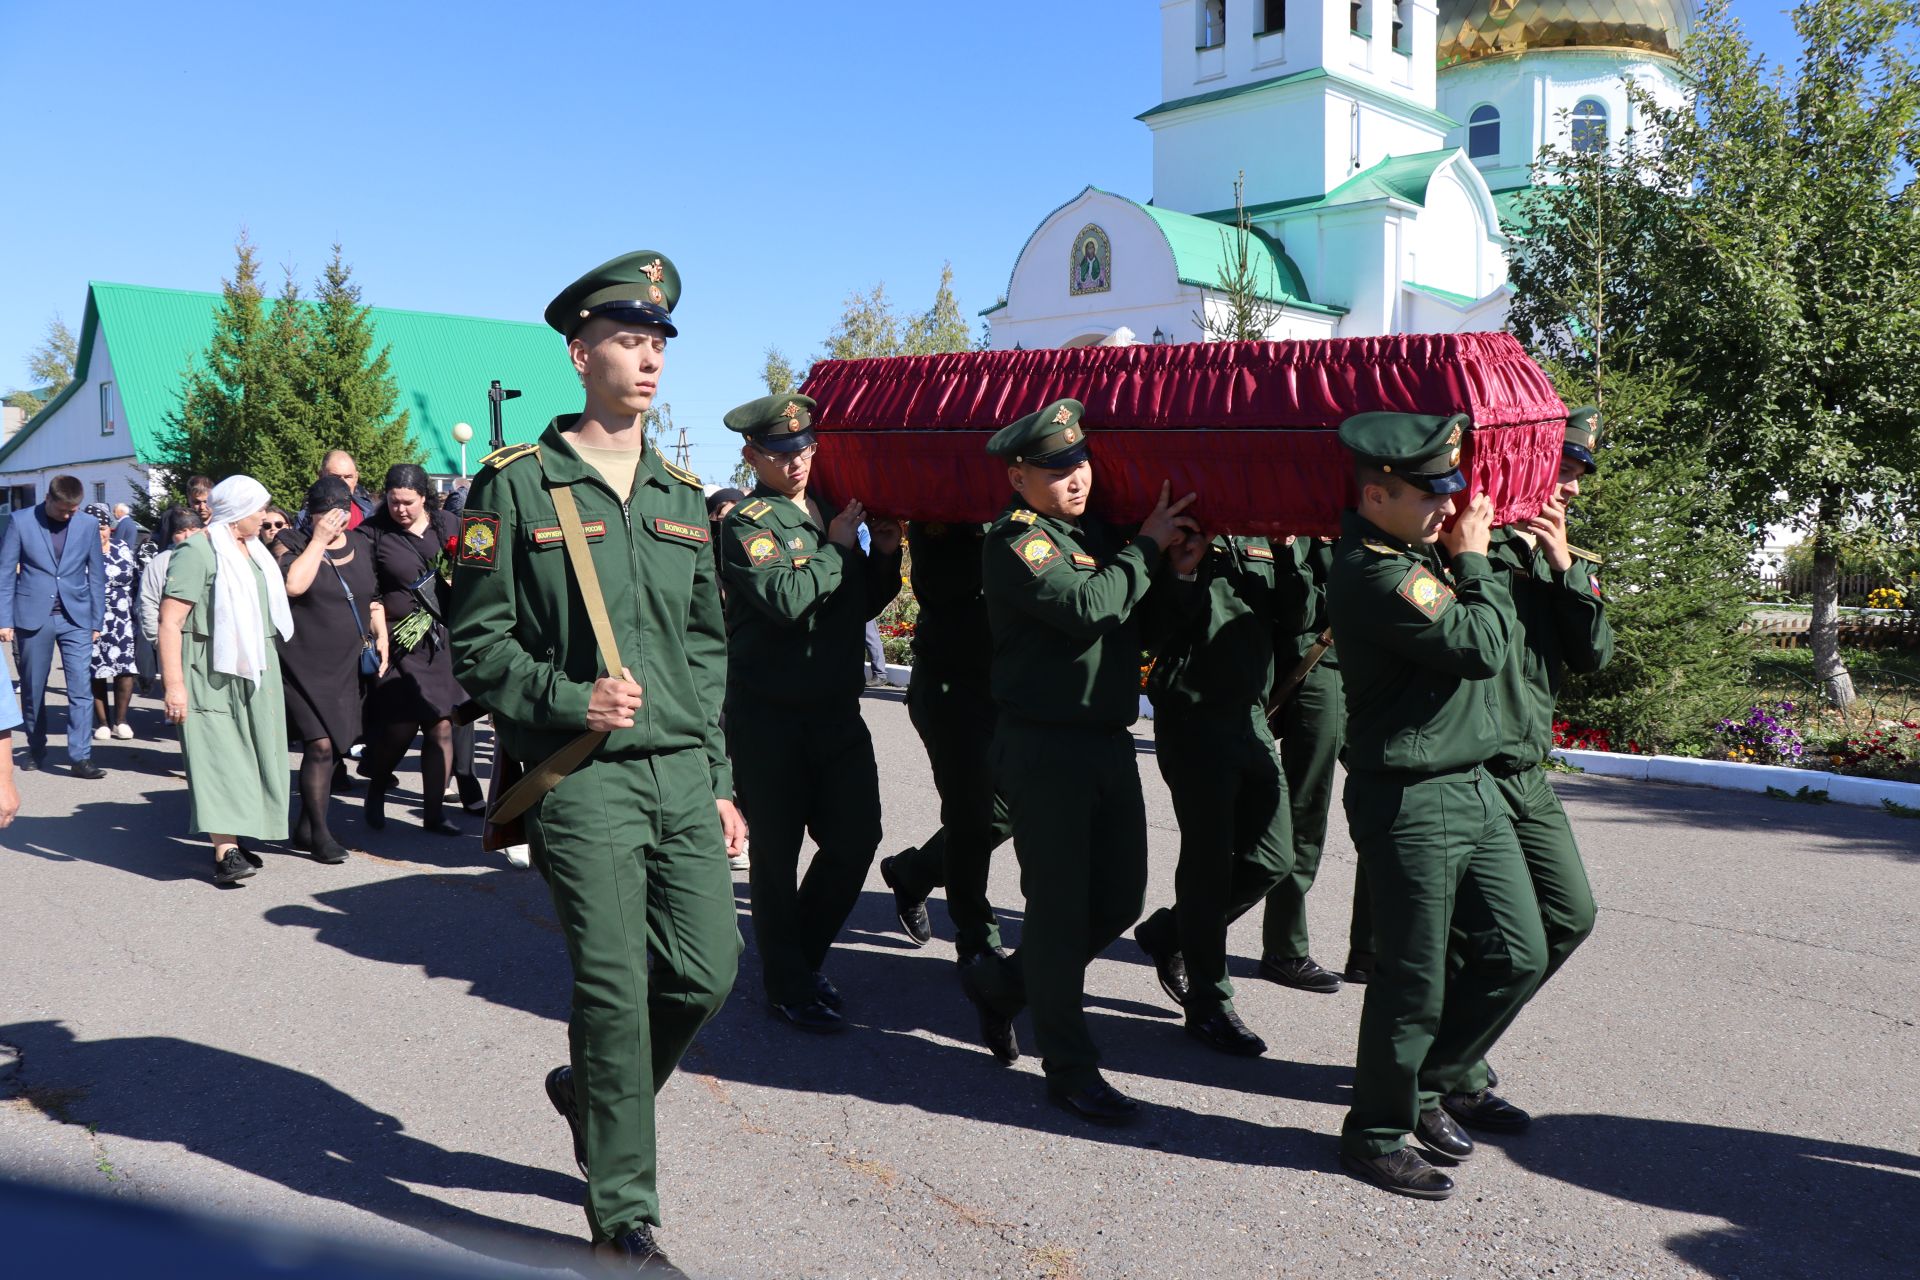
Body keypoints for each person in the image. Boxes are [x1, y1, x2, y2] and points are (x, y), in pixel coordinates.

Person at [449, 250, 742, 1275]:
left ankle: (589, 1088)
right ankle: (624, 1210)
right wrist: (569, 698)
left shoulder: (682, 492)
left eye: (659, 340)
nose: (649, 357)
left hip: (676, 772)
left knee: (709, 969)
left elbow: (705, 647)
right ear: (580, 353)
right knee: (614, 986)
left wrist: (717, 775)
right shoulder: (516, 486)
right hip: (582, 777)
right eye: (628, 338)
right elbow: (477, 644)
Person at [956, 399, 1198, 1125]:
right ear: (1020, 475)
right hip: (1043, 746)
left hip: (1105, 742)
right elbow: (1092, 605)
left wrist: (1176, 573)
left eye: (1081, 463)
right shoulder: (1016, 543)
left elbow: (1141, 623)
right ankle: (1069, 1066)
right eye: (1058, 469)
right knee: (1059, 913)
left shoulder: (1096, 535)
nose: (1076, 479)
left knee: (1119, 900)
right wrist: (1148, 550)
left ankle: (1002, 986)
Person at [1327, 411, 1546, 1201]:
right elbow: (1484, 647)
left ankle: (1436, 1081)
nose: (1447, 508)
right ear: (1376, 494)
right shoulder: (1377, 570)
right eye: (1429, 494)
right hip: (1412, 798)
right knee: (1412, 978)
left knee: (1521, 949)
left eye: (1451, 490)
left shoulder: (1419, 551)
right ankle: (1375, 1133)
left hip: (1472, 786)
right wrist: (1478, 562)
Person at [1443, 406, 1613, 1118]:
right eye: (1565, 470)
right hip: (1467, 772)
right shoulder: (1461, 542)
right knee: (1488, 941)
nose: (1571, 489)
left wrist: (1565, 568)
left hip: (1525, 775)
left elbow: (1594, 656)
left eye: (1578, 474)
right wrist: (1473, 556)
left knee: (1571, 916)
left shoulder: (1556, 559)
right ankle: (1448, 1074)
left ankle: (1448, 1058)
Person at [720, 391, 903, 1033]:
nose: (795, 462)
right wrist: (834, 546)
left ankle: (796, 958)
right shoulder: (746, 523)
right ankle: (788, 984)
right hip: (769, 717)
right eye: (778, 453)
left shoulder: (830, 511)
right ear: (752, 456)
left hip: (833, 711)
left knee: (858, 838)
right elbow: (791, 596)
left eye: (804, 449)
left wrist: (881, 551)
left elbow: (858, 604)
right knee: (778, 856)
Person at [1132, 526, 1299, 1056]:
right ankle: (1210, 1001)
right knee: (1209, 864)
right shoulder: (1176, 530)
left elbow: (1301, 618)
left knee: (1274, 857)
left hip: (1248, 714)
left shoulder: (1262, 535)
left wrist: (1287, 552)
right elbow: (1145, 632)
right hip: (1193, 714)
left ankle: (1172, 932)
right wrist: (1180, 570)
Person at [877, 519, 1010, 965]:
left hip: (1012, 691)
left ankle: (914, 872)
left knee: (1011, 805)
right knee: (970, 817)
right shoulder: (945, 517)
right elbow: (943, 586)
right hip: (955, 692)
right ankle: (976, 939)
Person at [158, 475, 295, 886]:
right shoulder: (197, 552)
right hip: (208, 669)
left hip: (255, 665)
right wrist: (174, 686)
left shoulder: (254, 551)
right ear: (236, 513)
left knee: (255, 753)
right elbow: (169, 621)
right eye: (258, 509)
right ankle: (225, 852)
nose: (265, 516)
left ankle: (235, 835)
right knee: (218, 754)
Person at [274, 476, 386, 865]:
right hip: (302, 665)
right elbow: (293, 586)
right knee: (319, 745)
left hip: (345, 665)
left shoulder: (360, 544)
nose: (333, 521)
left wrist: (381, 635)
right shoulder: (293, 543)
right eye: (325, 513)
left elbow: (372, 597)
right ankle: (321, 835)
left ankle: (305, 827)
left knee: (336, 747)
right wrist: (318, 539)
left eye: (340, 513)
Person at [1257, 535, 1352, 994]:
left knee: (1391, 807)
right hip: (1325, 666)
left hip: (1379, 667)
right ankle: (1285, 947)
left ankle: (1372, 949)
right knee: (1305, 813)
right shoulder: (1319, 505)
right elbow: (1300, 608)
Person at [361, 463, 469, 834]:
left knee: (441, 724)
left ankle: (434, 812)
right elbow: (368, 590)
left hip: (440, 642)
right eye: (393, 502)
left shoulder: (450, 526)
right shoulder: (373, 534)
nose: (400, 510)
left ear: (425, 497)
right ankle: (377, 786)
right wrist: (378, 633)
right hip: (398, 644)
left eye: (408, 502)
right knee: (401, 728)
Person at [0, 474, 107, 778]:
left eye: (73, 510)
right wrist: (4, 619)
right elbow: (5, 572)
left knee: (81, 689)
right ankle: (35, 748)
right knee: (33, 688)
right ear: (48, 499)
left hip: (77, 617)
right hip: (33, 616)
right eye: (62, 510)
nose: (68, 515)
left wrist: (96, 619)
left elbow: (96, 574)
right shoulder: (20, 521)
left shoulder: (86, 525)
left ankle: (80, 756)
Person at [84, 503, 139, 742]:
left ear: (110, 527)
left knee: (125, 669)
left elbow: (136, 578)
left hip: (122, 617)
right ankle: (103, 723)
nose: (100, 533)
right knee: (96, 671)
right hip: (92, 618)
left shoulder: (123, 547)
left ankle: (121, 720)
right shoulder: (80, 552)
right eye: (95, 528)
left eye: (104, 527)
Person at [140, 506, 207, 648]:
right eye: (181, 531)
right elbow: (148, 602)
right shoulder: (161, 562)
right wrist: (158, 641)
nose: (188, 536)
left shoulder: (211, 556)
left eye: (193, 529)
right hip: (173, 641)